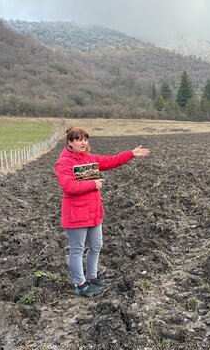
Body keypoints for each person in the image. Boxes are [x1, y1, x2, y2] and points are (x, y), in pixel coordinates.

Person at [55, 127, 151, 297]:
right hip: (76, 214)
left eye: (85, 139)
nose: (83, 143)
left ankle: (92, 277)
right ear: (70, 142)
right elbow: (68, 186)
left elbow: (110, 161)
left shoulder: (89, 159)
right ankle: (80, 284)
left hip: (93, 213)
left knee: (96, 245)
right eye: (78, 140)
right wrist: (93, 184)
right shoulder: (65, 162)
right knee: (77, 250)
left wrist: (131, 154)